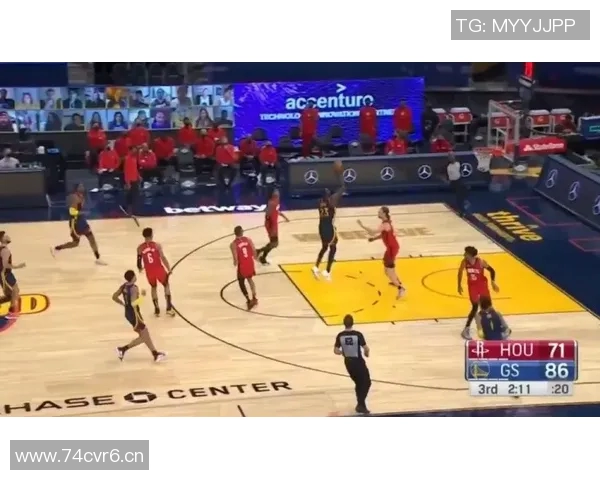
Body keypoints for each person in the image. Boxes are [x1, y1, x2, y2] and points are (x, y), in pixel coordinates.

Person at [113, 270, 166, 362]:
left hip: (128, 313)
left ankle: (154, 353)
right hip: (135, 314)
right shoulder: (134, 288)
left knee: (144, 335)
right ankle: (123, 349)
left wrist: (123, 304)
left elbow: (114, 296)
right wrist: (142, 297)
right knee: (144, 335)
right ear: (133, 277)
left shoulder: (124, 286)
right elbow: (134, 303)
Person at [357, 207, 405, 299]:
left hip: (391, 249)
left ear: (384, 213)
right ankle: (396, 281)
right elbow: (383, 234)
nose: (378, 213)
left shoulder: (385, 224)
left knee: (389, 271)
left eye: (379, 212)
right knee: (387, 270)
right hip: (391, 248)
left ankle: (400, 288)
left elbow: (372, 232)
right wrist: (374, 239)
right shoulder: (386, 223)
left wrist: (361, 225)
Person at [52, 183, 105, 265]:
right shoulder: (73, 197)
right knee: (75, 243)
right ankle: (57, 248)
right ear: (76, 188)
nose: (82, 187)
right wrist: (83, 212)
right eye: (80, 186)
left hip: (82, 221)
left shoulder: (82, 196)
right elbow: (71, 212)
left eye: (83, 186)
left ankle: (98, 258)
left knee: (91, 238)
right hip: (75, 222)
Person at [458, 246, 500, 340]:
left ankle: (498, 327)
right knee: (475, 307)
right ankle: (466, 329)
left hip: (482, 285)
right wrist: (459, 285)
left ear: (471, 255)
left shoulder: (480, 262)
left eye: (466, 253)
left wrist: (493, 282)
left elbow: (492, 270)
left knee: (489, 307)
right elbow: (460, 272)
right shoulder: (464, 262)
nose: (464, 255)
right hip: (473, 287)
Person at [334, 314, 371, 414]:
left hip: (348, 363)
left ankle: (361, 405)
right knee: (367, 382)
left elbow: (336, 350)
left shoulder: (340, 335)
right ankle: (360, 404)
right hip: (358, 362)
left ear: (344, 323)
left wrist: (343, 352)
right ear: (352, 323)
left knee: (359, 383)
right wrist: (366, 354)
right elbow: (366, 348)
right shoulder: (358, 334)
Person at [312, 176, 344, 280]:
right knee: (333, 248)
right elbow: (341, 190)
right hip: (328, 227)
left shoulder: (319, 202)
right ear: (327, 195)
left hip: (321, 227)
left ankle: (316, 266)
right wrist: (341, 180)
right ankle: (327, 271)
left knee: (325, 247)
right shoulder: (331, 201)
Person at [137, 228, 174, 317]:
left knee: (153, 287)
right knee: (166, 285)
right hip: (159, 269)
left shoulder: (139, 248)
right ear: (152, 235)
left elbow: (138, 262)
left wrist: (140, 268)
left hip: (149, 272)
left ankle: (157, 309)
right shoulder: (157, 245)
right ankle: (168, 308)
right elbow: (163, 258)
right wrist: (169, 269)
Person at [256, 189, 289, 265]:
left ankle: (262, 256)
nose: (278, 193)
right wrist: (271, 229)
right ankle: (259, 252)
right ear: (273, 195)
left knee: (273, 243)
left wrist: (284, 217)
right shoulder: (271, 203)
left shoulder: (276, 201)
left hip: (274, 225)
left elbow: (276, 211)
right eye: (276, 193)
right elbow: (267, 216)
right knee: (275, 244)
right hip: (271, 226)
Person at [230, 226, 258, 310]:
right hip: (250, 262)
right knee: (250, 279)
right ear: (242, 232)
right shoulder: (248, 240)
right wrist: (255, 258)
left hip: (242, 265)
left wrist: (235, 262)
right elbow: (254, 251)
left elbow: (235, 259)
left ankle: (248, 300)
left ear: (235, 233)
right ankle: (254, 297)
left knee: (241, 282)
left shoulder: (233, 244)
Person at [0, 231, 26, 320]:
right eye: (5, 236)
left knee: (9, 295)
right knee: (15, 291)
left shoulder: (2, 249)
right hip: (5, 274)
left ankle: (12, 310)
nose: (8, 236)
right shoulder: (5, 250)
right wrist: (18, 266)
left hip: (5, 274)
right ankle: (12, 312)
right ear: (2, 239)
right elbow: (5, 265)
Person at [121, 146, 141, 221]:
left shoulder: (134, 158)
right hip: (130, 180)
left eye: (135, 150)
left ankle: (130, 211)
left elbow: (135, 169)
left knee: (133, 196)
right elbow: (126, 172)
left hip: (135, 179)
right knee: (131, 196)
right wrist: (128, 182)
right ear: (130, 150)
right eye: (133, 150)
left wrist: (138, 176)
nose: (135, 151)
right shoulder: (127, 159)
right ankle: (130, 211)